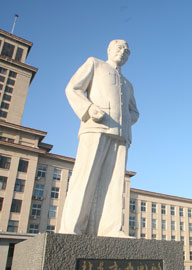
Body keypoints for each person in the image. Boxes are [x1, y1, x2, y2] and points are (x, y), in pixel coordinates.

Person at [59, 40, 139, 236]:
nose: (123, 53)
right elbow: (72, 88)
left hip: (120, 136)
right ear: (109, 49)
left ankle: (110, 229)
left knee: (113, 184)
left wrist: (127, 120)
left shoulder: (128, 84)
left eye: (127, 51)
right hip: (95, 128)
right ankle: (72, 228)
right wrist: (87, 108)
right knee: (84, 177)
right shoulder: (95, 64)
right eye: (120, 48)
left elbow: (135, 112)